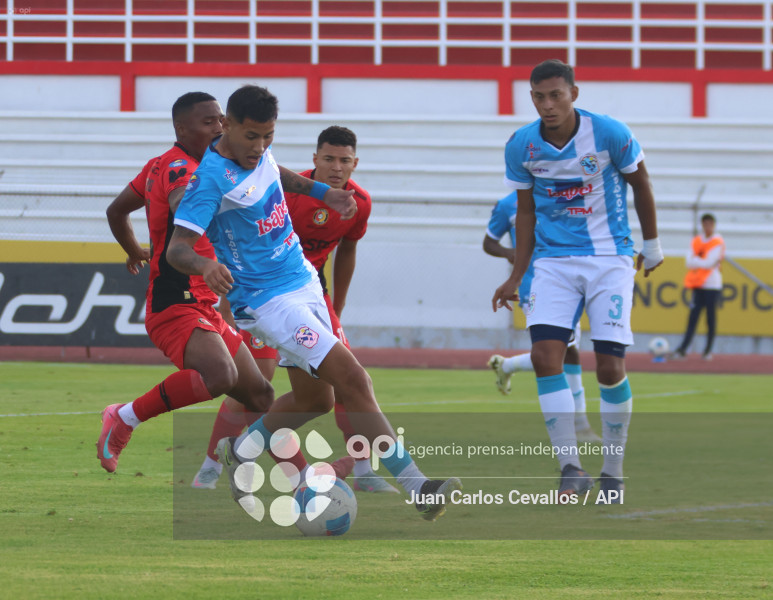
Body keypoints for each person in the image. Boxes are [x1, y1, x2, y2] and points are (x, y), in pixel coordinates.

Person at [168, 85, 461, 522]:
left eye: (268, 136)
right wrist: (206, 265)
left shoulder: (257, 152)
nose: (260, 147)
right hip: (268, 302)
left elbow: (276, 172)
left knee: (315, 400)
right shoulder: (209, 180)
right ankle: (419, 487)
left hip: (303, 281)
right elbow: (177, 249)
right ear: (228, 126)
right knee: (354, 379)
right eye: (252, 136)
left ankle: (241, 449)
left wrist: (324, 193)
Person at [99, 92, 353, 486]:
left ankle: (301, 480)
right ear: (181, 128)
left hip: (208, 302)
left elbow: (116, 210)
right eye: (208, 122)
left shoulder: (166, 165)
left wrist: (135, 250)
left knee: (260, 395)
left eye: (220, 119)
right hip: (176, 300)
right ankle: (125, 416)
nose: (217, 127)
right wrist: (203, 220)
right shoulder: (187, 170)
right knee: (220, 375)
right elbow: (185, 201)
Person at [491, 60, 664, 501]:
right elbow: (525, 212)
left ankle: (613, 473)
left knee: (609, 367)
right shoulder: (522, 144)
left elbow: (641, 184)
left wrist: (653, 245)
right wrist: (516, 275)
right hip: (553, 262)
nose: (548, 105)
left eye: (556, 95)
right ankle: (571, 468)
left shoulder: (609, 133)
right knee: (545, 356)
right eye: (539, 96)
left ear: (574, 93)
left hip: (610, 259)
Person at [192, 125, 398, 493]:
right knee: (257, 381)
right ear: (315, 159)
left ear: (355, 163)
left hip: (310, 292)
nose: (336, 167)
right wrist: (226, 303)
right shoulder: (283, 189)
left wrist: (337, 307)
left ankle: (364, 469)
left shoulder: (359, 202)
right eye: (329, 159)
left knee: (339, 386)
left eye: (344, 160)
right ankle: (211, 463)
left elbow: (347, 251)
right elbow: (236, 239)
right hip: (265, 297)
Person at [484, 190, 601, 443]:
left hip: (566, 283)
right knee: (556, 351)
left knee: (569, 350)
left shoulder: (559, 194)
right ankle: (579, 426)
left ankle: (507, 366)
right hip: (533, 285)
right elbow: (489, 243)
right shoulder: (508, 204)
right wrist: (509, 253)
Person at [672, 213, 725, 360]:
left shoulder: (717, 241)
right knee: (693, 318)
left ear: (713, 225)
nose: (707, 227)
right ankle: (683, 349)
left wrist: (697, 260)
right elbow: (688, 262)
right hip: (698, 284)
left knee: (710, 319)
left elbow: (709, 263)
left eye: (710, 224)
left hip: (712, 285)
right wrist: (700, 261)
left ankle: (707, 350)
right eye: (705, 224)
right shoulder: (696, 240)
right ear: (702, 225)